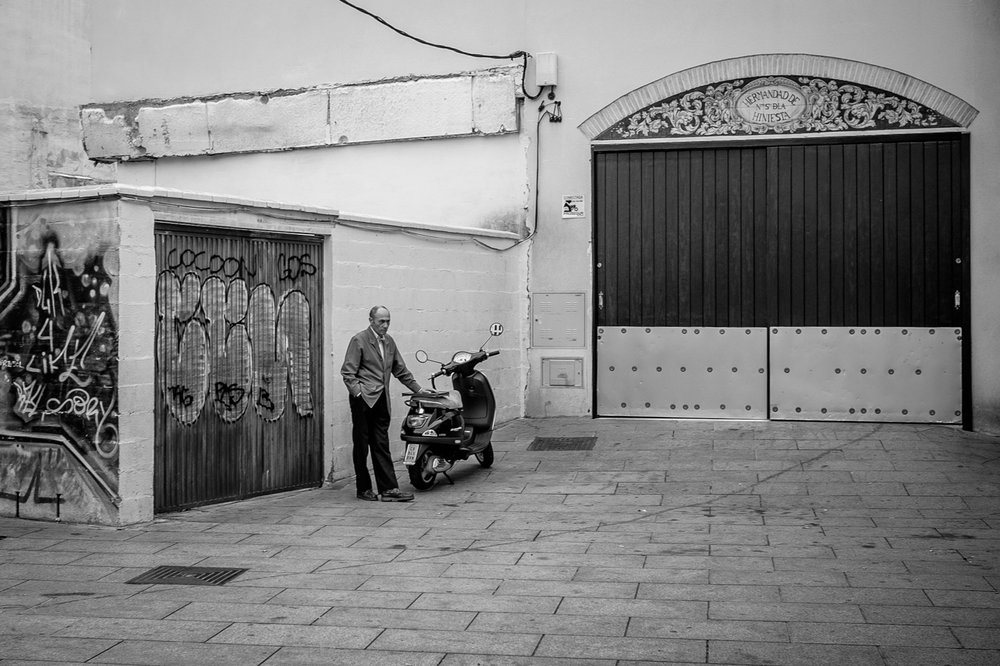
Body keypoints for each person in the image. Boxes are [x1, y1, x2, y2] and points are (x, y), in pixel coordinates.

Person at [341, 305, 424, 502]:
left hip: (381, 401)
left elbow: (400, 369)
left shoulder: (389, 342)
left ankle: (389, 490)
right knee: (361, 445)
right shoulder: (359, 340)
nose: (385, 326)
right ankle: (363, 489)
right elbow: (348, 372)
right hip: (363, 401)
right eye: (381, 321)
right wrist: (358, 392)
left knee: (381, 444)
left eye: (388, 321)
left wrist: (419, 390)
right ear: (371, 321)